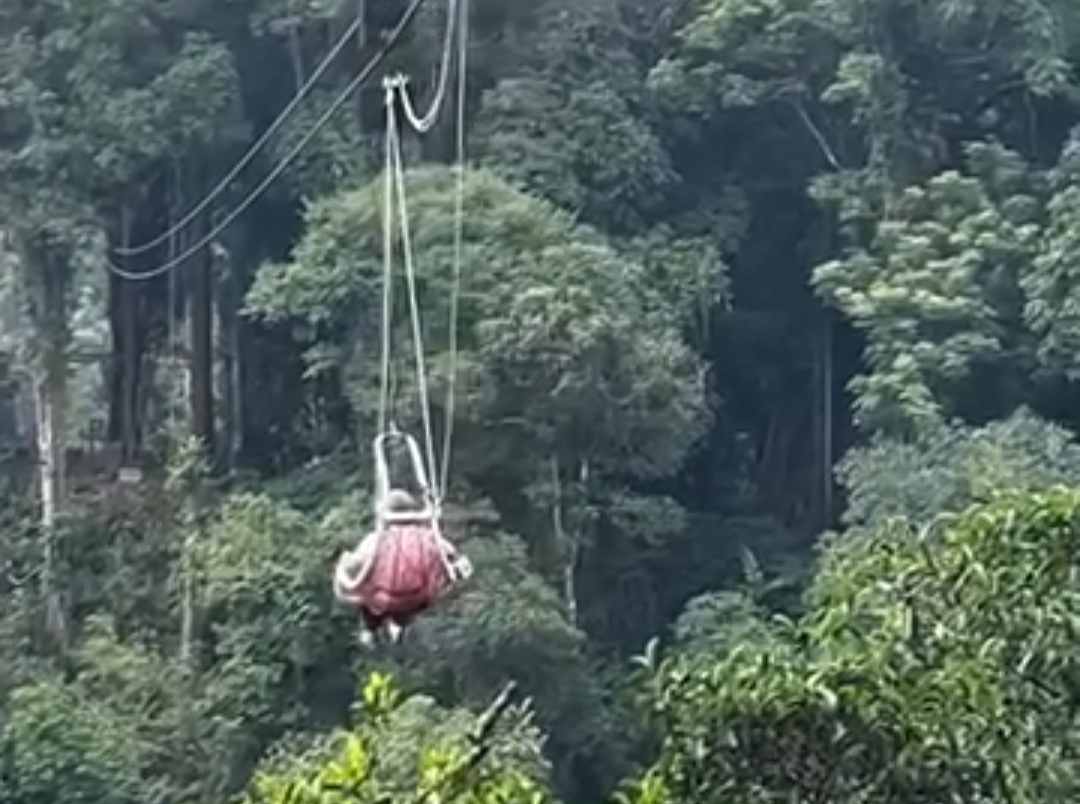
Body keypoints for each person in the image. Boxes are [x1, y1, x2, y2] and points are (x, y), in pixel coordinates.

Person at [333, 488, 470, 646]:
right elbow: (454, 557)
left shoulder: (376, 541)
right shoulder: (429, 537)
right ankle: (397, 626)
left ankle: (370, 630)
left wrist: (343, 565)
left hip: (384, 600)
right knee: (406, 605)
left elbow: (355, 564)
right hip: (419, 599)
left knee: (368, 599)